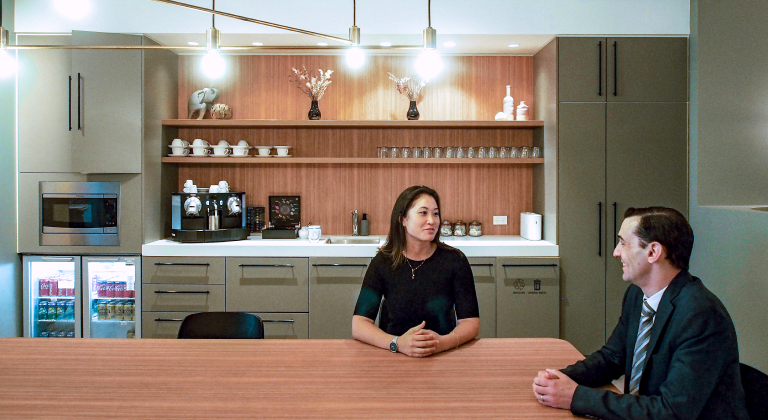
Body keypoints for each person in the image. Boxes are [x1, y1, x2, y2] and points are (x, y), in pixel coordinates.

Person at [532, 207, 749, 420]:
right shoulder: (638, 295)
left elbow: (671, 412)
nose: (616, 252)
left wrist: (576, 396)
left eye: (623, 243)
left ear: (653, 252)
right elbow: (613, 358)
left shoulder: (701, 315)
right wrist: (562, 378)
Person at [352, 185, 480, 357]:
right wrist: (397, 343)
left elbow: (470, 322)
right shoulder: (383, 262)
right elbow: (359, 324)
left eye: (435, 213)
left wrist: (442, 343)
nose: (432, 220)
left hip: (443, 356)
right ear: (403, 219)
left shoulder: (455, 261)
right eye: (423, 213)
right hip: (394, 356)